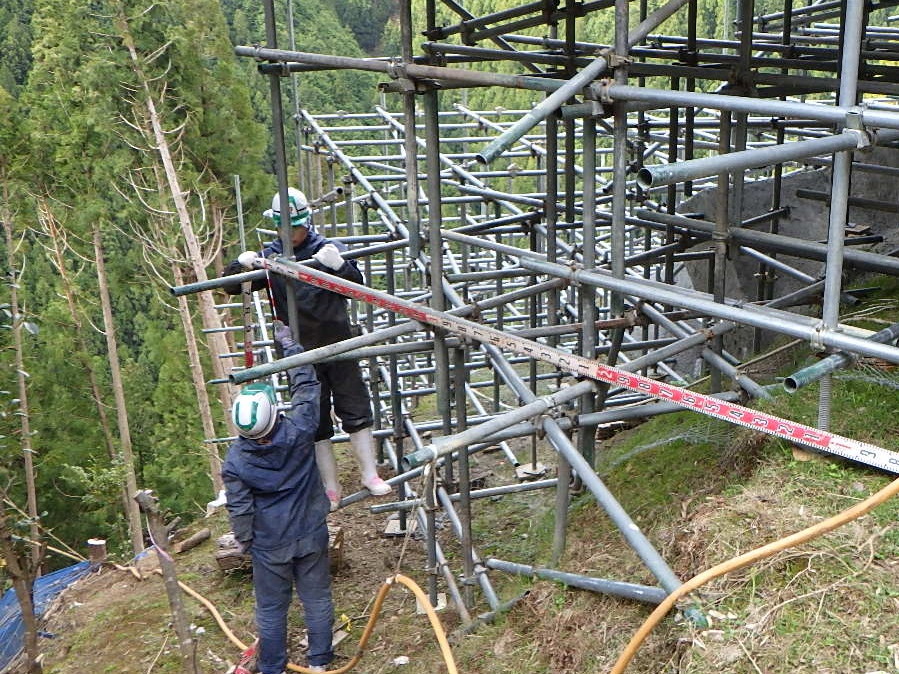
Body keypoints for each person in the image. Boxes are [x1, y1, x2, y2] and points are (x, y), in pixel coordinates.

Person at [224, 187, 391, 511]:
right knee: (313, 418)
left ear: (308, 222)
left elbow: (359, 287)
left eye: (296, 227)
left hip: (339, 342)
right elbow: (231, 287)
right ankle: (330, 487)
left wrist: (340, 266)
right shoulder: (270, 257)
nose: (291, 233)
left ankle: (370, 474)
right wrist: (239, 266)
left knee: (355, 407)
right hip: (299, 352)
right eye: (285, 227)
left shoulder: (326, 248)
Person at [222, 321, 334, 674]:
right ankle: (320, 662)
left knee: (271, 609)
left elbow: (239, 508)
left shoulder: (236, 460)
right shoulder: (300, 429)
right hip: (311, 529)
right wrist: (290, 346)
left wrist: (245, 540)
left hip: (269, 543)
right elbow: (307, 386)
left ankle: (272, 668)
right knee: (316, 598)